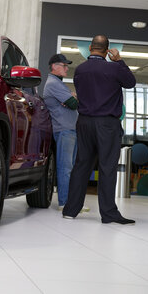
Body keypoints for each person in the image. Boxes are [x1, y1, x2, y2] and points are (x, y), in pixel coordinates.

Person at [62, 35, 136, 224]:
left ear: (90, 48)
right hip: (106, 124)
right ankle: (109, 214)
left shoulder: (80, 69)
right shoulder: (113, 68)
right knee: (107, 167)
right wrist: (119, 61)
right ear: (107, 50)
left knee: (81, 165)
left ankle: (70, 210)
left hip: (84, 122)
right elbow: (130, 82)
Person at [43, 54, 88, 212]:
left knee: (72, 168)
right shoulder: (54, 84)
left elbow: (71, 102)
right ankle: (64, 202)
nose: (67, 68)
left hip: (70, 130)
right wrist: (73, 97)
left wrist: (72, 97)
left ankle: (71, 202)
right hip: (64, 130)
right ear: (54, 67)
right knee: (65, 168)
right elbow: (73, 103)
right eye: (64, 65)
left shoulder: (58, 84)